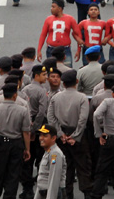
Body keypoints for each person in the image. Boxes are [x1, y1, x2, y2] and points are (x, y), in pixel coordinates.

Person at [46, 69, 92, 198]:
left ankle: (67, 195)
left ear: (63, 83)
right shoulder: (82, 98)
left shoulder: (55, 97)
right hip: (78, 135)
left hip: (63, 135)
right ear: (76, 82)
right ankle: (87, 193)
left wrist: (61, 134)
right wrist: (76, 136)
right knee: (83, 166)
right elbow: (83, 119)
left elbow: (51, 118)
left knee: (65, 168)